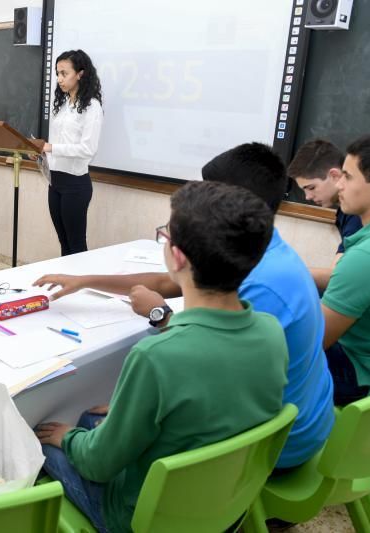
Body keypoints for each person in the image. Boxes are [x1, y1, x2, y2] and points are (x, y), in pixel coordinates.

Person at [34, 143, 335, 472]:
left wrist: (160, 316)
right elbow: (166, 284)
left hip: (267, 447)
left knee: (43, 441)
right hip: (280, 423)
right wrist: (85, 279)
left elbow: (209, 369)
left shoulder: (260, 288)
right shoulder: (256, 255)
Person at [35, 180, 287, 533]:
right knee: (92, 420)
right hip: (228, 504)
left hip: (142, 518)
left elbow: (97, 464)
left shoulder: (154, 355)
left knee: (39, 438)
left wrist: (66, 437)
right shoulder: (271, 331)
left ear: (177, 255)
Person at [321, 132, 370, 405]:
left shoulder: (368, 256)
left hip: (367, 376)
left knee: (258, 362)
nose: (338, 184)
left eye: (348, 176)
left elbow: (311, 344)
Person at [33, 49, 103, 256]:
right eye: (57, 73)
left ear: (80, 74)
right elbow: (59, 144)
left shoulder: (92, 107)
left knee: (77, 246)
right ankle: (68, 287)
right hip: (55, 182)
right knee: (64, 243)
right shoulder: (62, 105)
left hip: (75, 185)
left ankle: (81, 286)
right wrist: (41, 152)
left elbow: (87, 149)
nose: (59, 79)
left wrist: (51, 147)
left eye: (64, 73)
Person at [288, 139, 363, 291]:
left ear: (335, 175)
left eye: (311, 187)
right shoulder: (343, 210)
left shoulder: (357, 213)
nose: (307, 197)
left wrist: (287, 273)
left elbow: (338, 278)